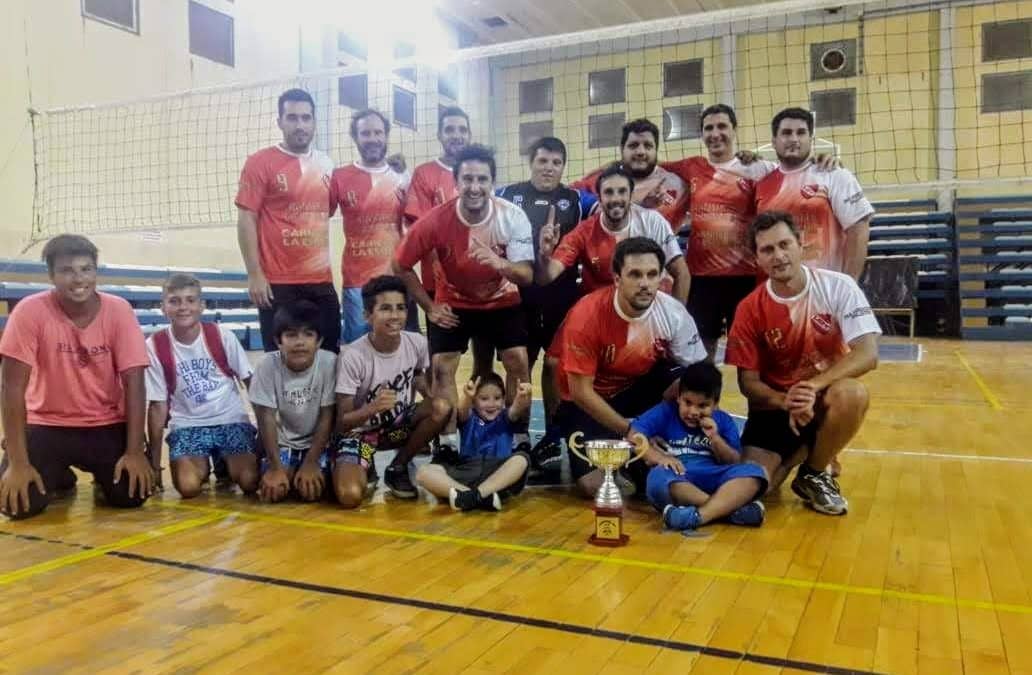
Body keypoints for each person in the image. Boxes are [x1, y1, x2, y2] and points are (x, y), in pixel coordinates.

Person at [725, 212, 880, 515]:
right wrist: (787, 402)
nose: (778, 255)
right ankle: (811, 450)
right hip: (776, 408)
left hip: (823, 397)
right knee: (759, 486)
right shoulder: (748, 309)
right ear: (757, 258)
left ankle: (814, 472)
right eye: (767, 249)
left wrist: (810, 389)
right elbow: (749, 384)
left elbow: (867, 354)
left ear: (801, 244)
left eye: (784, 244)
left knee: (853, 394)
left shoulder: (839, 286)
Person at [393, 144, 535, 457]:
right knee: (443, 367)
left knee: (518, 361)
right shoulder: (434, 221)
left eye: (482, 179)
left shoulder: (512, 217)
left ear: (492, 183)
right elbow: (399, 265)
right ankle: (448, 442)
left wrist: (500, 264)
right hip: (453, 302)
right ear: (456, 184)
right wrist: (429, 307)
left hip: (501, 300)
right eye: (467, 179)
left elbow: (525, 274)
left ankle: (519, 435)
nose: (474, 187)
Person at [0, 234, 153, 519]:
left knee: (131, 495)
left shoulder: (119, 310)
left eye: (86, 269)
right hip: (46, 423)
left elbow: (135, 383)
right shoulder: (29, 311)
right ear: (51, 275)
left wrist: (134, 452)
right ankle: (58, 474)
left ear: (96, 271)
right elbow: (11, 387)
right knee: (18, 504)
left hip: (105, 423)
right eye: (67, 270)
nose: (78, 278)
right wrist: (18, 463)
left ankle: (78, 473)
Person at [552, 237, 706, 498]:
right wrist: (634, 434)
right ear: (617, 279)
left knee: (692, 380)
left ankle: (667, 446)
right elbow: (581, 392)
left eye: (651, 274)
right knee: (594, 486)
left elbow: (701, 375)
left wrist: (666, 419)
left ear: (660, 278)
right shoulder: (586, 316)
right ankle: (633, 455)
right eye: (635, 274)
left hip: (637, 388)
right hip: (590, 401)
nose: (644, 283)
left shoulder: (673, 312)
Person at [495, 136, 594, 474]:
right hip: (517, 299)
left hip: (560, 299)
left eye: (556, 162)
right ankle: (517, 433)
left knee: (554, 368)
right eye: (542, 161)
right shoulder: (507, 195)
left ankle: (552, 435)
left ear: (563, 167)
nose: (549, 168)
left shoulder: (577, 200)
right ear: (531, 162)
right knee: (517, 364)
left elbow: (618, 199)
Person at [236, 88, 341, 353]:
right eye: (292, 118)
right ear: (280, 122)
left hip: (320, 280)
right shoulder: (260, 162)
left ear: (315, 122)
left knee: (328, 356)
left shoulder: (326, 164)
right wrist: (254, 274)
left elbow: (325, 211)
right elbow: (247, 217)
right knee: (280, 360)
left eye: (306, 118)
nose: (300, 125)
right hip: (277, 282)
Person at [335, 276, 452, 504]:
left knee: (440, 406)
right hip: (361, 435)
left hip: (396, 430)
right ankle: (364, 464)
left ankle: (397, 467)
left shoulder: (416, 343)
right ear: (367, 315)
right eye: (385, 309)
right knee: (350, 496)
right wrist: (374, 407)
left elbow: (418, 376)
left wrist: (428, 397)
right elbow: (342, 422)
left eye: (400, 308)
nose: (395, 315)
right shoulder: (352, 356)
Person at [144, 274, 259, 498]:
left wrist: (264, 438)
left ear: (202, 306)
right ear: (163, 307)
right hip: (188, 424)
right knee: (188, 487)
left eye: (190, 300)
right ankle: (206, 464)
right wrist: (154, 465)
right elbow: (157, 406)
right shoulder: (154, 345)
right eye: (174, 301)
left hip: (230, 419)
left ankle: (224, 461)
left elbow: (250, 383)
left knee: (250, 481)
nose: (183, 307)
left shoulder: (221, 336)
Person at [403, 106, 492, 379]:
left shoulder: (481, 173)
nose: (457, 135)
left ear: (470, 134)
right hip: (439, 288)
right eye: (450, 129)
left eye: (462, 129)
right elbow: (421, 232)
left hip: (481, 287)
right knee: (441, 365)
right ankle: (443, 419)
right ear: (440, 135)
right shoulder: (425, 174)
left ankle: (479, 418)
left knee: (484, 360)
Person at [633, 362, 767, 532]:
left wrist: (715, 438)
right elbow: (634, 435)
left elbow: (733, 462)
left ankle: (696, 517)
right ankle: (727, 510)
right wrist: (660, 457)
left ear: (715, 403)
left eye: (702, 406)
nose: (693, 412)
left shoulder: (723, 420)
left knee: (754, 473)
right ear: (678, 397)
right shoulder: (665, 412)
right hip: (679, 476)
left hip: (714, 476)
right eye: (688, 403)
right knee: (657, 477)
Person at [536, 164, 690, 304]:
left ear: (630, 196)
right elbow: (546, 277)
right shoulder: (584, 232)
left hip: (643, 311)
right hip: (598, 311)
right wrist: (544, 254)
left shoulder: (653, 221)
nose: (616, 199)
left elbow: (682, 274)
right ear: (600, 198)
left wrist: (676, 320)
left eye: (622, 191)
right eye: (609, 192)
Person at [754, 107, 874, 280]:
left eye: (801, 133)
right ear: (774, 141)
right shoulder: (762, 184)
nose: (794, 139)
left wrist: (849, 284)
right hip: (777, 290)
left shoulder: (834, 174)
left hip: (824, 289)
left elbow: (858, 230)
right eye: (786, 133)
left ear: (811, 139)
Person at [330, 108, 415, 344]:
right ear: (355, 137)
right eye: (365, 133)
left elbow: (415, 226)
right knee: (357, 348)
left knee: (400, 349)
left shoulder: (403, 177)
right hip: (358, 282)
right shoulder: (340, 176)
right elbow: (319, 215)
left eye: (378, 132)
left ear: (386, 136)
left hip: (397, 278)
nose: (373, 138)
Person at [249, 301, 340, 504]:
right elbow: (266, 419)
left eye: (308, 334)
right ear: (278, 341)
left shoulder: (329, 362)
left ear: (319, 340)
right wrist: (275, 468)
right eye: (291, 335)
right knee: (276, 490)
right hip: (283, 442)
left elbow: (327, 417)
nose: (300, 342)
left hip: (316, 443)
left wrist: (311, 463)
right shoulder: (266, 365)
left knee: (311, 491)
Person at [415, 373, 532, 512]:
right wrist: (467, 397)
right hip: (466, 470)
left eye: (497, 398)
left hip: (498, 474)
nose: (491, 404)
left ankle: (469, 496)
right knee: (423, 472)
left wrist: (522, 396)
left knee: (521, 459)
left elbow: (517, 408)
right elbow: (462, 411)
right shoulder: (469, 417)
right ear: (474, 401)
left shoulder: (505, 416)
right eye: (484, 399)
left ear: (504, 399)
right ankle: (477, 497)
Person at [571, 118, 690, 232]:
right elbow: (561, 196)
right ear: (622, 149)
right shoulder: (596, 181)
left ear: (656, 150)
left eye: (648, 146)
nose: (640, 152)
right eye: (633, 145)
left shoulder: (679, 185)